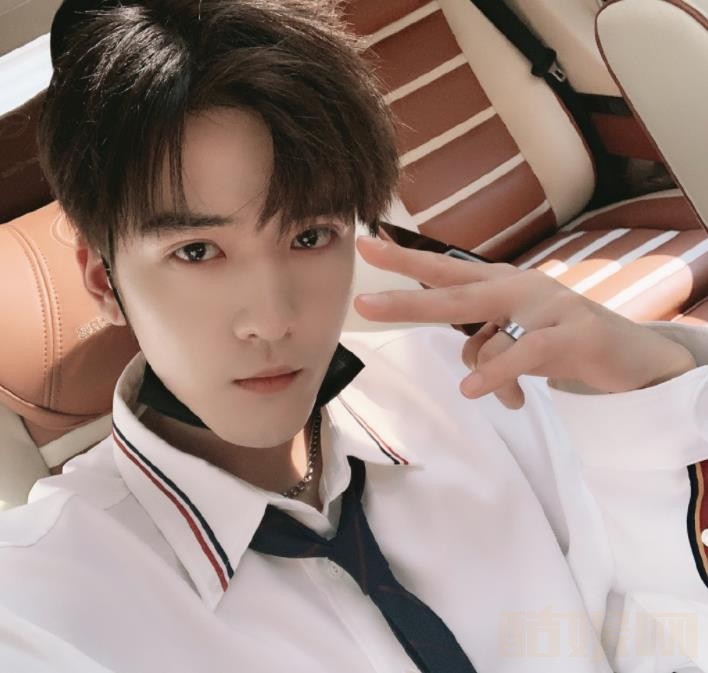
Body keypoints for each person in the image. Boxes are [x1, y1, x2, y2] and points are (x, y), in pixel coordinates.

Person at [0, 1, 707, 671]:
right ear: (101, 278)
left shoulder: (467, 387)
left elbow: (658, 634)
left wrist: (644, 385)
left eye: (310, 235)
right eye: (196, 251)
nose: (272, 319)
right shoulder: (45, 603)